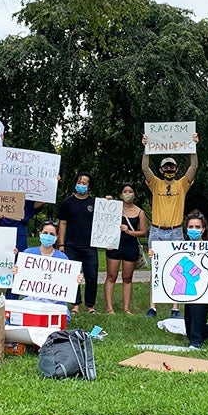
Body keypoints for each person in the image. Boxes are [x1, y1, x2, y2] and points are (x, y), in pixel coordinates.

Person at [150, 212, 208, 350]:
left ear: (203, 229)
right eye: (191, 226)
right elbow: (168, 267)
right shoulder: (178, 248)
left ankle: (196, 343)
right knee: (190, 331)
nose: (194, 230)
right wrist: (156, 255)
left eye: (197, 227)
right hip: (190, 293)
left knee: (195, 326)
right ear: (186, 229)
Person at [140, 131, 200, 318]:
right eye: (166, 167)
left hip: (175, 232)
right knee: (156, 268)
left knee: (178, 268)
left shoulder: (182, 184)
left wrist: (193, 146)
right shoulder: (155, 184)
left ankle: (175, 308)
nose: (169, 169)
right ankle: (153, 307)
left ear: (176, 170)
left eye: (172, 167)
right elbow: (144, 168)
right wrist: (146, 148)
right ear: (161, 170)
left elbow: (194, 166)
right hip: (157, 231)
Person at [12, 220, 84, 312]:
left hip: (56, 303)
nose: (48, 236)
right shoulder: (28, 254)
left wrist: (75, 279)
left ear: (56, 237)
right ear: (40, 234)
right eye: (45, 233)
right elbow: (20, 279)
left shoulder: (62, 258)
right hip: (30, 301)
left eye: (51, 234)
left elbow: (67, 280)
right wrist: (16, 272)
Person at [57, 172, 98, 314]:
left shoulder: (95, 203)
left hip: (90, 246)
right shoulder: (67, 203)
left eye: (84, 183)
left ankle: (90, 306)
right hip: (71, 245)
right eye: (79, 182)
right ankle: (75, 305)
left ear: (89, 186)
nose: (81, 185)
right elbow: (62, 223)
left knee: (91, 276)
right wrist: (61, 244)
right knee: (73, 276)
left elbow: (104, 222)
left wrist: (108, 203)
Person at [105, 183, 148, 314]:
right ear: (120, 194)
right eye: (125, 191)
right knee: (111, 276)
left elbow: (143, 232)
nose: (127, 193)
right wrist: (107, 202)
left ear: (134, 194)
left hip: (131, 247)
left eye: (130, 191)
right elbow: (102, 220)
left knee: (127, 278)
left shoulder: (140, 212)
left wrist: (129, 231)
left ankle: (126, 308)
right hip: (114, 246)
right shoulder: (114, 208)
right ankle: (109, 308)